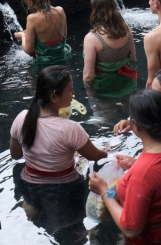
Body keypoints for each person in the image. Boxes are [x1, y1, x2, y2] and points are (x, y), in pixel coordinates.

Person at [89, 90, 161, 244]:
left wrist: (104, 191)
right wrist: (136, 162)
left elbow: (131, 230)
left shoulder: (141, 175)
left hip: (156, 239)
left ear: (136, 126)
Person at [10, 66, 107, 229]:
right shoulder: (70, 128)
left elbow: (15, 155)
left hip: (28, 184)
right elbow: (97, 157)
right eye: (70, 90)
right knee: (73, 229)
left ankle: (31, 207)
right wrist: (107, 151)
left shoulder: (22, 118)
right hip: (62, 191)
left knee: (39, 214)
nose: (73, 94)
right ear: (54, 97)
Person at [83, 0, 139, 99]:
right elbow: (133, 58)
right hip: (125, 81)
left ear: (94, 9)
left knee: (107, 113)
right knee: (129, 110)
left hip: (105, 87)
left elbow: (88, 75)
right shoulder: (126, 28)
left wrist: (90, 95)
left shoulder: (91, 38)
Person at [14, 0, 70, 72]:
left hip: (45, 64)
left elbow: (28, 50)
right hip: (63, 57)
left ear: (29, 0)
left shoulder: (32, 18)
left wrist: (22, 36)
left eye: (25, 1)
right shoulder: (60, 10)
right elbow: (64, 35)